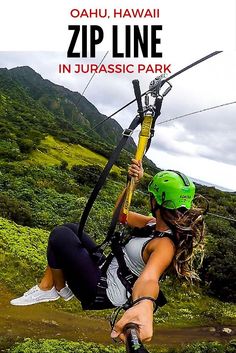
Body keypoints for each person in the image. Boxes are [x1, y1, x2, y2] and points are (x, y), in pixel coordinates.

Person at [10, 160, 205, 342]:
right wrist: (132, 184)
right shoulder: (154, 224)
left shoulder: (164, 246)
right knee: (71, 229)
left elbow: (149, 279)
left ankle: (56, 289)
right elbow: (121, 215)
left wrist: (145, 303)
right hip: (105, 269)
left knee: (60, 235)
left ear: (155, 202)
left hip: (101, 290)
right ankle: (51, 287)